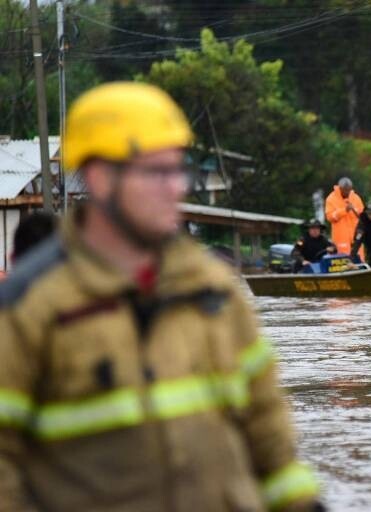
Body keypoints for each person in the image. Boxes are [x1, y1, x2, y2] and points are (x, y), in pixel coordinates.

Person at [0, 82, 321, 512]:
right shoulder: (30, 306)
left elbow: (269, 438)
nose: (175, 188)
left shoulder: (215, 289)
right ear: (100, 177)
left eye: (178, 170)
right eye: (156, 172)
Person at [324, 176, 364, 256]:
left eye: (349, 190)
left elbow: (363, 216)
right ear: (340, 188)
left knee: (359, 260)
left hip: (356, 236)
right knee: (342, 260)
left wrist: (354, 210)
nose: (347, 192)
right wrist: (344, 210)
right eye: (345, 190)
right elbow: (330, 217)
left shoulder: (356, 198)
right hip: (341, 237)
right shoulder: (331, 199)